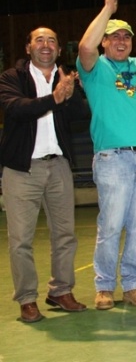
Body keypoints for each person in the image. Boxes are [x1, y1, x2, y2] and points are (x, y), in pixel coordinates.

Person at [77, 0, 136, 310]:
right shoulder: (94, 68)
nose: (121, 41)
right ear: (105, 41)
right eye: (114, 36)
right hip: (113, 158)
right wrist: (107, 10)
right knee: (111, 224)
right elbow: (85, 46)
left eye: (126, 36)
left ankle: (133, 285)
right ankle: (104, 287)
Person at [0, 27, 90, 323]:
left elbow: (80, 114)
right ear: (28, 48)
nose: (46, 44)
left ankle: (60, 291)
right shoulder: (11, 78)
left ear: (59, 50)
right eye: (39, 40)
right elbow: (17, 110)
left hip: (59, 166)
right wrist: (54, 98)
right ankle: (27, 299)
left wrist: (72, 92)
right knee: (21, 240)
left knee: (65, 234)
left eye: (52, 40)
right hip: (22, 169)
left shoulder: (65, 77)